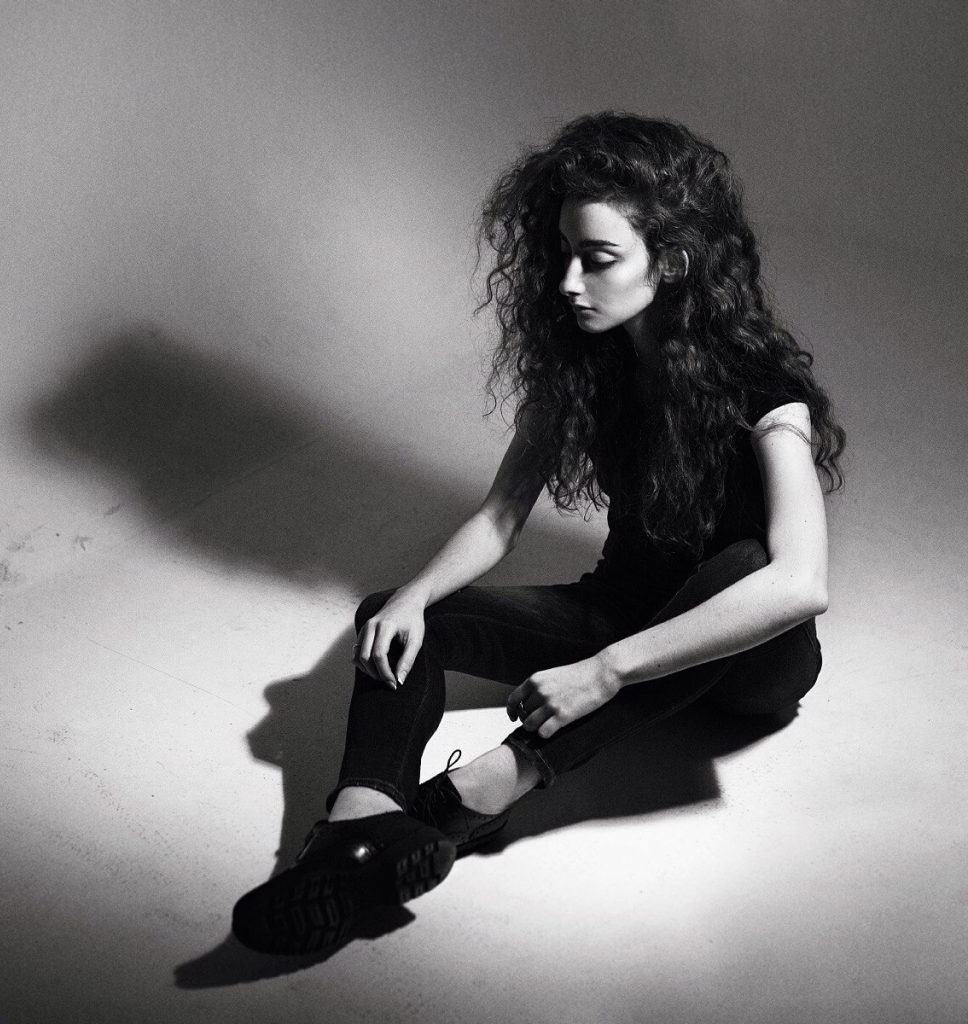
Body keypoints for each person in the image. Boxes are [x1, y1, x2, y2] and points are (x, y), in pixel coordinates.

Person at [231, 112, 845, 955]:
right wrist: (414, 597)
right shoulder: (585, 372)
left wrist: (605, 670)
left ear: (672, 261)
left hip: (749, 663)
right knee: (401, 619)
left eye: (598, 258)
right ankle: (363, 824)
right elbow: (500, 515)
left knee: (745, 560)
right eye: (562, 253)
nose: (567, 281)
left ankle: (493, 783)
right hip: (619, 613)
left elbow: (799, 583)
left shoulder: (765, 392)